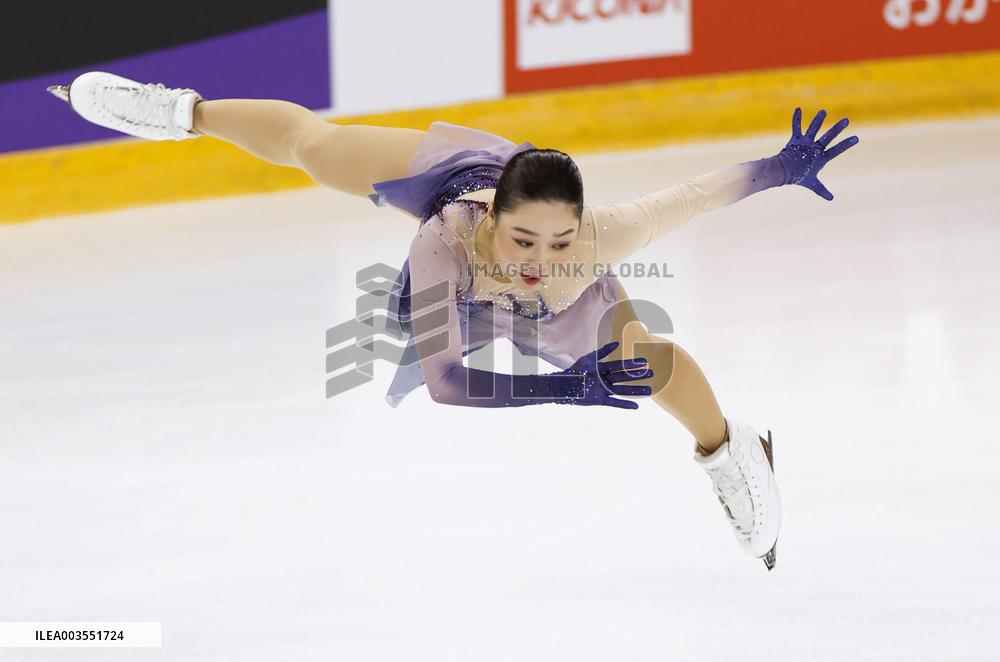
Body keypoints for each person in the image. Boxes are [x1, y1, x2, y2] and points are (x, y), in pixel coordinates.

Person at [49, 72, 860, 569]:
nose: (541, 254)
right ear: (491, 218)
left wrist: (780, 168)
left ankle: (732, 451)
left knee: (645, 356)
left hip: (562, 318)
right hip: (454, 256)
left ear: (583, 231)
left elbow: (695, 194)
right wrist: (563, 392)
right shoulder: (445, 240)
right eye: (523, 237)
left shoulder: (595, 244)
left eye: (561, 238)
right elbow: (442, 384)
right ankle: (180, 109)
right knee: (314, 146)